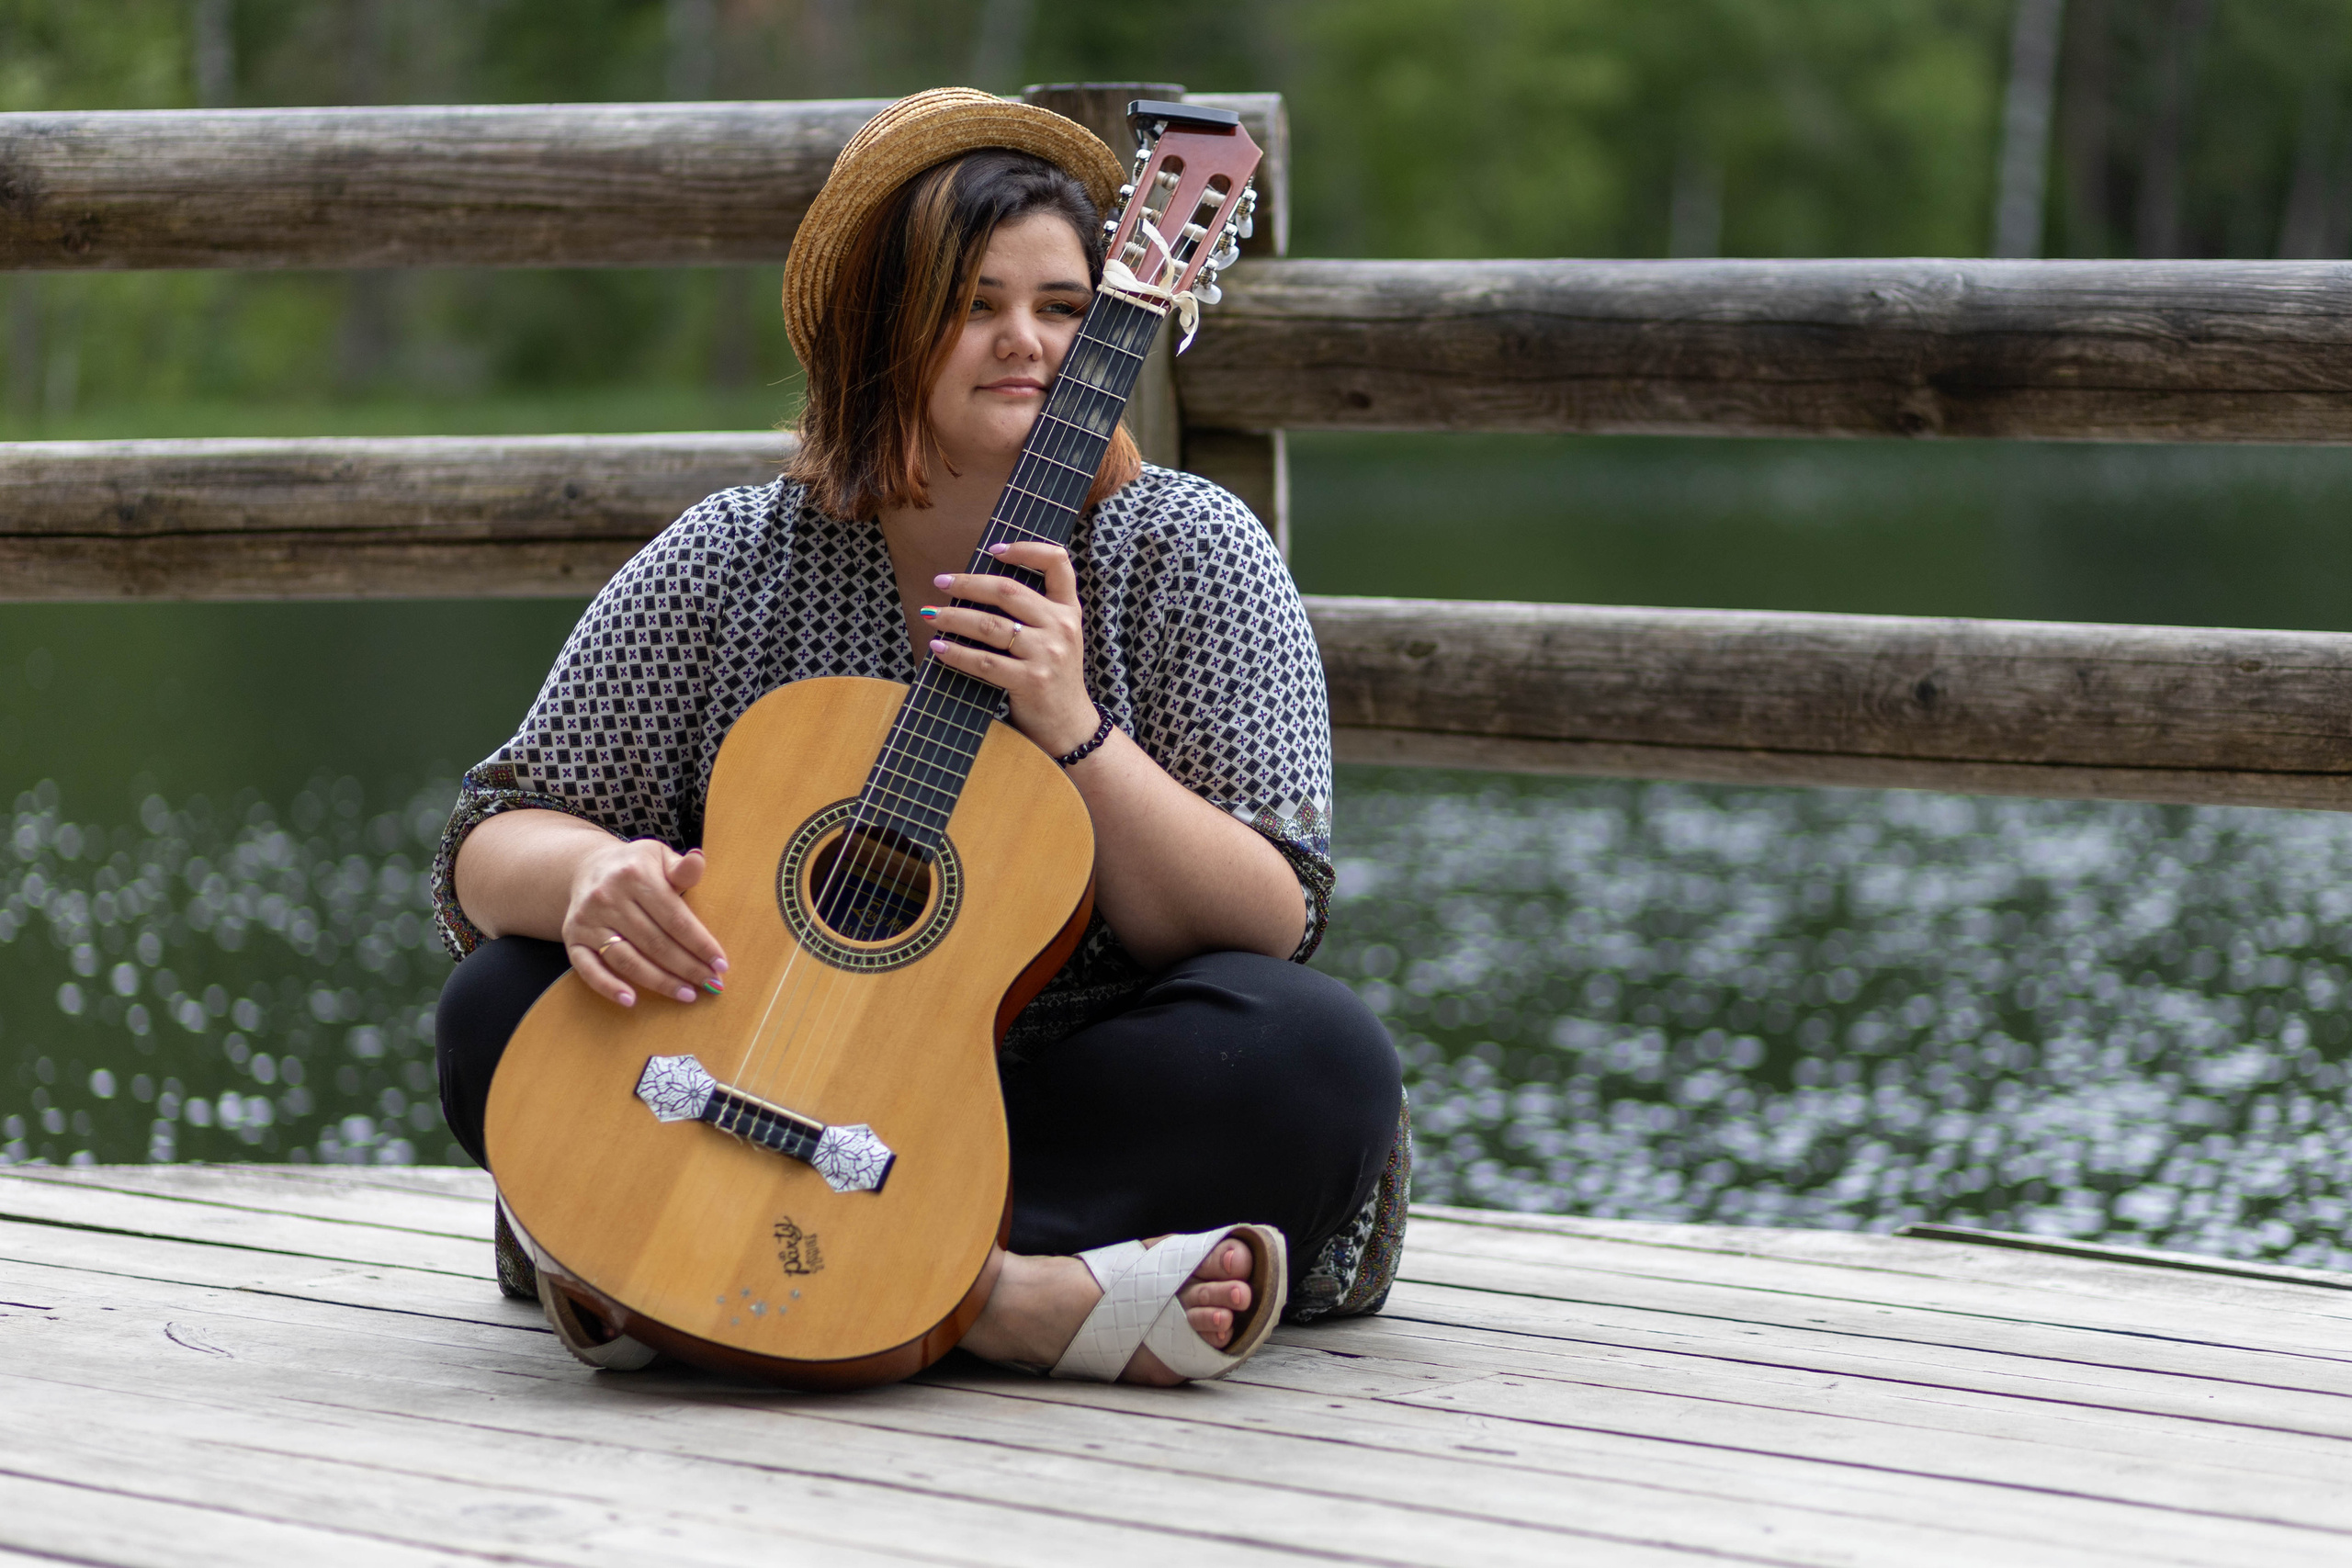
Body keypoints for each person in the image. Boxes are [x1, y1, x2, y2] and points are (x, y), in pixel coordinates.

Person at [429, 88, 1408, 1386]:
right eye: (975, 304)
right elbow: (493, 837)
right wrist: (588, 878)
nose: (1027, 342)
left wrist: (1075, 728)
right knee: (498, 1000)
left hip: (1056, 1083)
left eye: (1063, 307)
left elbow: (1272, 917)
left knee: (1311, 1057)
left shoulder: (1189, 552)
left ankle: (682, 1259)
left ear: (1126, 320)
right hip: (758, 1058)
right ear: (885, 330)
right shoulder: (741, 556)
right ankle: (1010, 1297)